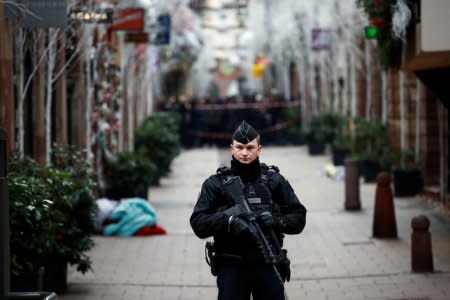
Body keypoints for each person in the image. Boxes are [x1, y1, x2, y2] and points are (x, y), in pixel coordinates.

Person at [190, 120, 307, 300]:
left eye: (250, 148)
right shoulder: (216, 183)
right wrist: (228, 221)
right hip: (231, 265)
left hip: (268, 262)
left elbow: (299, 217)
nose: (244, 153)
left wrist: (278, 221)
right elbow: (198, 223)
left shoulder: (275, 181)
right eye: (240, 147)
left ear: (259, 149)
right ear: (232, 148)